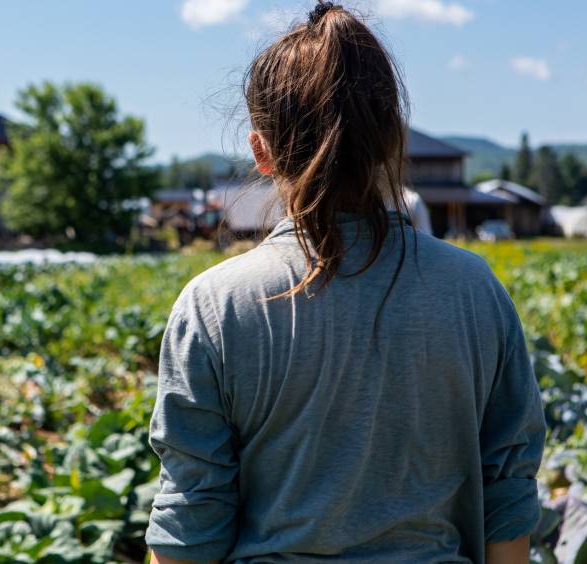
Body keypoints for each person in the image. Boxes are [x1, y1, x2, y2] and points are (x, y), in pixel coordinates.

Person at [145, 3, 545, 563]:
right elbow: (507, 495)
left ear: (261, 151)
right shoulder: (473, 289)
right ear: (389, 139)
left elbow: (191, 517)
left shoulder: (215, 305)